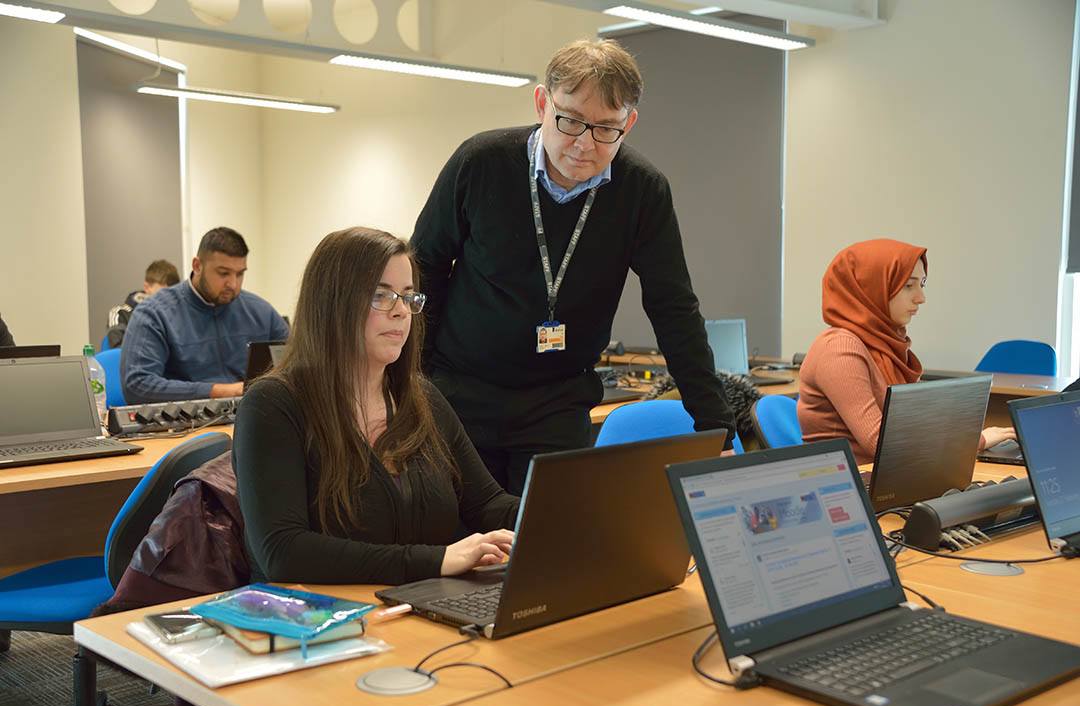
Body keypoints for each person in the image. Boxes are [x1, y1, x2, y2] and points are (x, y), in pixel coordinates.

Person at [411, 38, 736, 494]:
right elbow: (422, 271)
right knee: (467, 530)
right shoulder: (481, 162)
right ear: (542, 103)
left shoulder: (642, 191)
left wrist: (716, 428)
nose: (584, 144)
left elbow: (673, 307)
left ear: (629, 123)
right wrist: (414, 382)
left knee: (549, 531)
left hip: (557, 404)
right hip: (461, 394)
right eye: (570, 121)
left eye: (606, 129)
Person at [232, 227, 518, 585]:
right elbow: (283, 552)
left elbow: (487, 504)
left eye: (408, 297)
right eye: (381, 296)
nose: (401, 312)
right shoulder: (273, 405)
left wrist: (559, 513)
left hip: (416, 602)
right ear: (333, 303)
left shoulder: (421, 398)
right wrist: (436, 560)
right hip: (321, 613)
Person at [797, 239, 1016, 464]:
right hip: (850, 481)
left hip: (891, 475)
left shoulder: (885, 345)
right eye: (908, 286)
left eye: (922, 284)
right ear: (871, 288)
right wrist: (976, 441)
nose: (921, 298)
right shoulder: (839, 348)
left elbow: (915, 425)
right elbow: (882, 444)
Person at [121, 227, 288, 405]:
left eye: (240, 274)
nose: (233, 284)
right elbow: (137, 385)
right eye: (223, 273)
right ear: (197, 266)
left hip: (250, 412)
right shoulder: (154, 314)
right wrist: (221, 391)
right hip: (184, 419)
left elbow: (298, 364)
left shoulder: (260, 312)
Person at [106, 259, 181, 348]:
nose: (166, 300)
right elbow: (120, 349)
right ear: (147, 287)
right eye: (162, 294)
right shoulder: (120, 314)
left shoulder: (180, 314)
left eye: (171, 294)